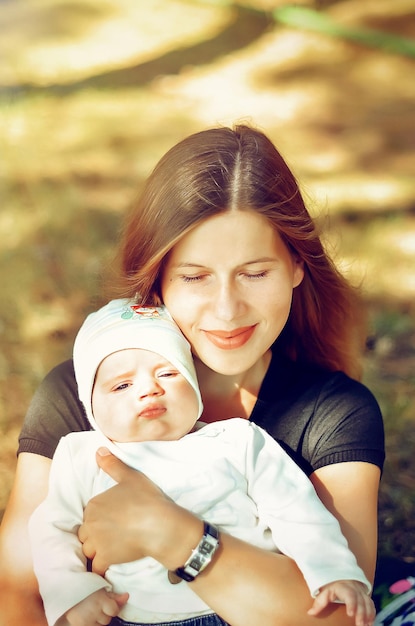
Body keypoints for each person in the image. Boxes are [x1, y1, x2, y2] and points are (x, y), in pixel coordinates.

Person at [0, 123, 385, 626]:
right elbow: (20, 595)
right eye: (195, 276)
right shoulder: (80, 396)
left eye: (254, 273)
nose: (227, 310)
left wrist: (174, 535)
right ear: (156, 280)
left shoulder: (333, 413)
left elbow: (337, 619)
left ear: (296, 266)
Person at [29, 300, 375, 626]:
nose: (148, 390)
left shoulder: (237, 440)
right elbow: (53, 529)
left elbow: (294, 507)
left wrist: (332, 571)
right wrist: (73, 593)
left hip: (241, 608)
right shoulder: (82, 454)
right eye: (121, 386)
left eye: (167, 374)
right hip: (132, 614)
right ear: (91, 407)